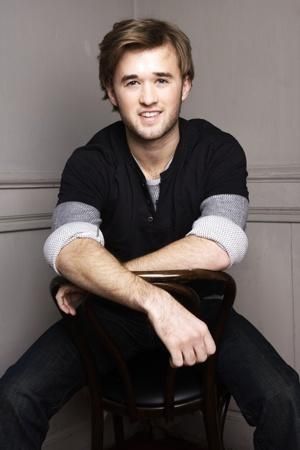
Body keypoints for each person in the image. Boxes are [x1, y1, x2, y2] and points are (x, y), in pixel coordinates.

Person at [0, 18, 299, 450]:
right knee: (14, 398)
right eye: (131, 82)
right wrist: (154, 299)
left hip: (201, 309)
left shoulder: (219, 149)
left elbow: (219, 244)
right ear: (110, 90)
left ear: (186, 85)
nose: (148, 98)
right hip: (111, 317)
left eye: (162, 79)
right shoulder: (89, 161)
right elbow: (68, 247)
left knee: (284, 399)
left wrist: (98, 279)